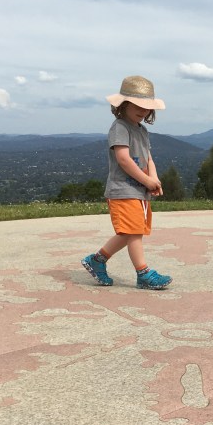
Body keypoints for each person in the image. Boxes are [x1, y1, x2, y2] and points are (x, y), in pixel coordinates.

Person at [81, 75, 173, 290]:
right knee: (134, 232)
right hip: (123, 189)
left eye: (147, 107)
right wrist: (146, 180)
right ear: (123, 105)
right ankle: (143, 274)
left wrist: (154, 179)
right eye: (138, 106)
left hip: (140, 190)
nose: (143, 111)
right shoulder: (119, 127)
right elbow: (123, 159)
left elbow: (148, 157)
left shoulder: (141, 130)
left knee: (130, 231)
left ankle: (97, 260)